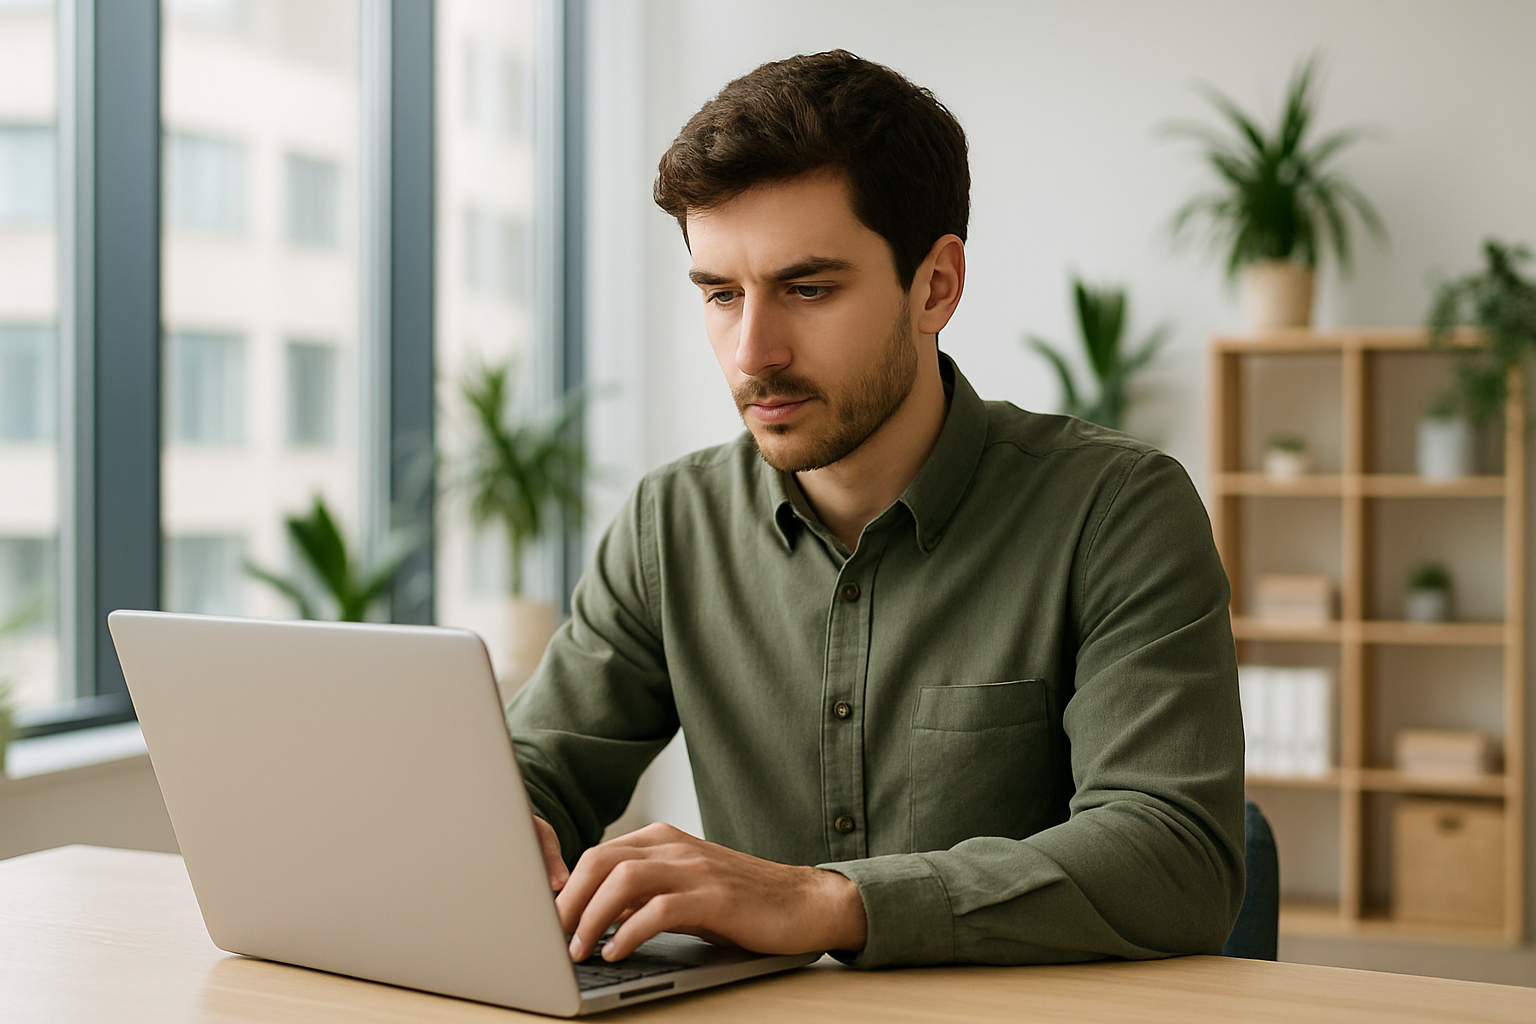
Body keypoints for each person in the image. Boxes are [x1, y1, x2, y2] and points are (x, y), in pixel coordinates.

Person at [507, 49, 1244, 969]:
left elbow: (1176, 856)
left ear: (936, 285)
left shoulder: (1115, 512)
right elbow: (535, 771)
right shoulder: (670, 525)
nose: (752, 352)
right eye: (720, 295)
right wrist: (502, 826)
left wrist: (826, 902)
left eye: (807, 289)